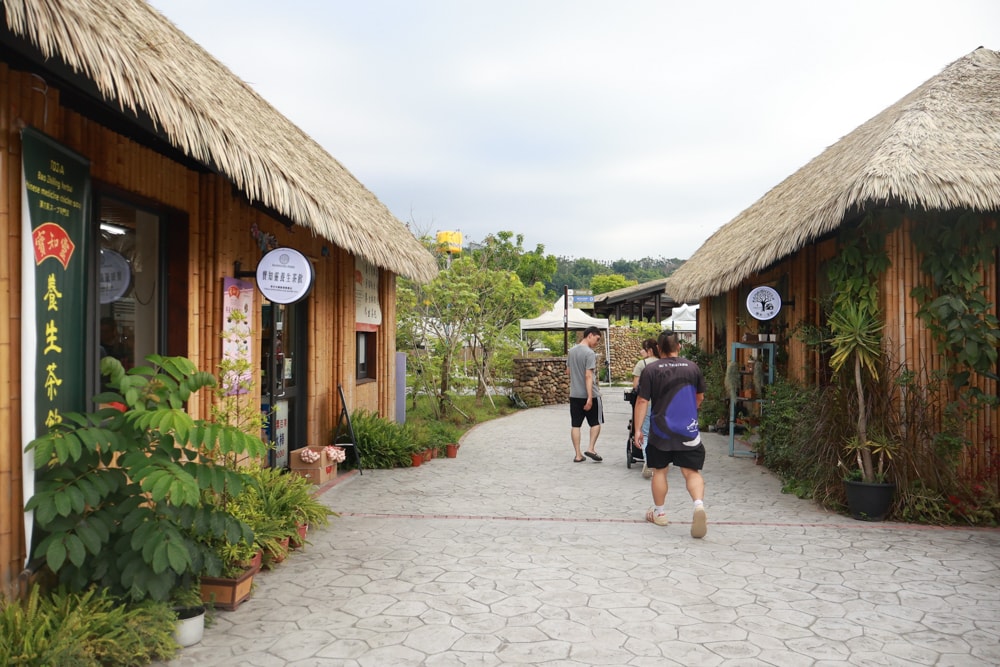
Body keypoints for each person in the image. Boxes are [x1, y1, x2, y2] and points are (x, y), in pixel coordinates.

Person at [633, 331, 708, 538]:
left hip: (661, 431)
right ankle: (699, 506)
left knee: (660, 471)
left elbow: (642, 401)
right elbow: (700, 397)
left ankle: (660, 514)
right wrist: (689, 412)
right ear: (679, 347)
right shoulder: (692, 367)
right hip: (688, 430)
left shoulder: (651, 369)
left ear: (658, 349)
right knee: (691, 471)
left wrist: (638, 429)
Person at [567, 326, 604, 463]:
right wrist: (589, 397)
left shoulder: (571, 351)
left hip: (574, 394)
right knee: (595, 423)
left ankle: (578, 455)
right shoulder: (589, 353)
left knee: (576, 425)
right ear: (590, 335)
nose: (597, 342)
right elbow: (588, 375)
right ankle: (591, 448)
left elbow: (568, 371)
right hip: (591, 395)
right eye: (597, 339)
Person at [631, 338, 660, 479]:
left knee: (646, 433)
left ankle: (648, 460)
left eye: (643, 349)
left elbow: (636, 386)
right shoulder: (664, 363)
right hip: (663, 404)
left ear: (649, 350)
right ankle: (661, 461)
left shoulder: (642, 364)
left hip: (647, 404)